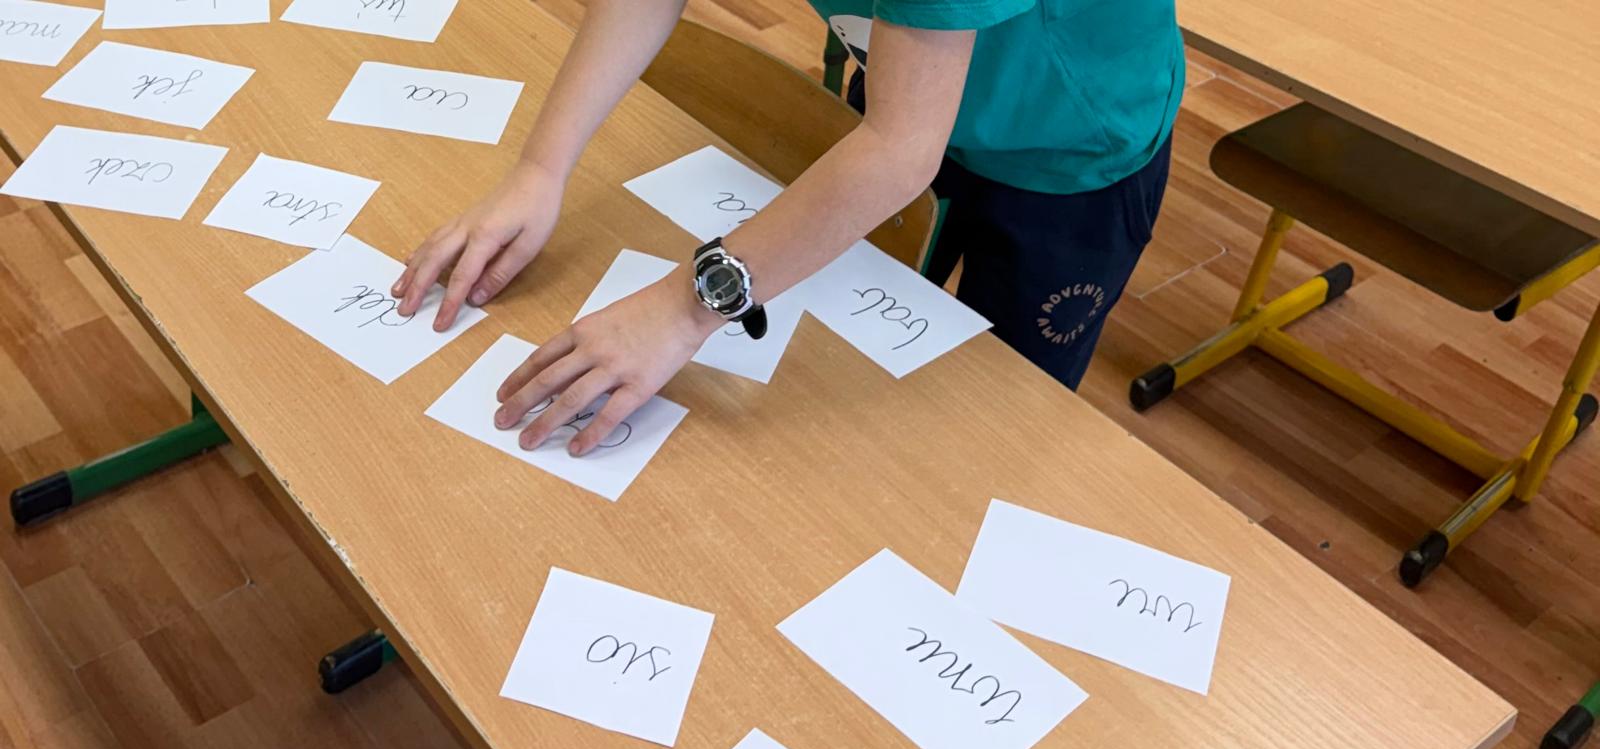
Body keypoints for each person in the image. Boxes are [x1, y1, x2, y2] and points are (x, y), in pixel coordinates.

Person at [393, 0, 1183, 457]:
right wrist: (540, 168)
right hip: (908, 96)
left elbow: (901, 150)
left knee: (983, 425)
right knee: (850, 364)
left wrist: (683, 308)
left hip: (1071, 152)